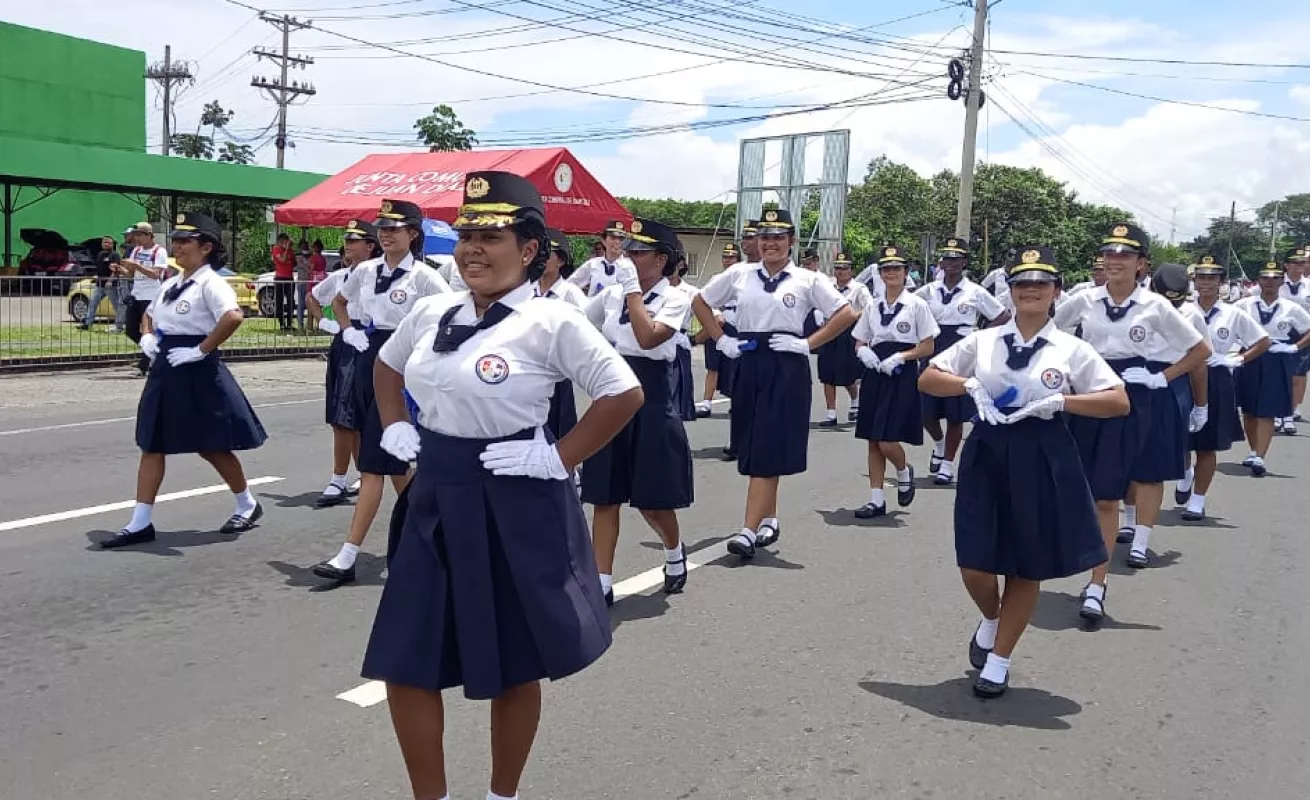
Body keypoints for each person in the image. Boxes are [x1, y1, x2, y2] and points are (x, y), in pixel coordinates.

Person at [360, 170, 643, 800]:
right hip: (435, 496)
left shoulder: (552, 322)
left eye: (492, 236)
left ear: (531, 248)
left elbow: (623, 392)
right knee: (404, 660)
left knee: (516, 664)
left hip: (515, 497)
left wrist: (560, 458)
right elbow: (385, 366)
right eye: (466, 235)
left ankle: (501, 795)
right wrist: (395, 424)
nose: (473, 249)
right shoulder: (433, 311)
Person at [919, 244, 1129, 698]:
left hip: (1042, 451)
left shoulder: (1072, 349)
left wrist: (1063, 401)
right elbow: (929, 377)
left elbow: (1118, 400)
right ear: (1010, 291)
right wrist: (968, 384)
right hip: (989, 450)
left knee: (1024, 562)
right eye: (1021, 284)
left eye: (1041, 284)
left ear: (1056, 292)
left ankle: (999, 660)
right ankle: (992, 619)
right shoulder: (985, 340)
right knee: (974, 560)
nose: (1030, 291)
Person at [1053, 223, 1209, 620]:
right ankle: (1080, 560)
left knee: (1117, 490)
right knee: (1085, 490)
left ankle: (1097, 583)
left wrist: (1161, 377)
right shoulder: (1084, 299)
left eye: (1124, 255)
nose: (1114, 261)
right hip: (1091, 394)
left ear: (1141, 264)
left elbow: (1200, 349)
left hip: (1135, 398)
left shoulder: (1155, 306)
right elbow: (1051, 334)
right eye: (1109, 254)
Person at [693, 209, 859, 558]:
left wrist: (808, 343)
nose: (770, 244)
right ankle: (770, 518)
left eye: (778, 237)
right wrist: (721, 340)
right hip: (750, 360)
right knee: (754, 443)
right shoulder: (740, 273)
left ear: (792, 242)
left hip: (787, 363)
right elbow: (701, 302)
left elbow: (845, 313)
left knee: (770, 442)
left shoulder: (807, 279)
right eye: (764, 237)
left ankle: (748, 529)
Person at [98, 212, 267, 548]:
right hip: (166, 367)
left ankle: (247, 503)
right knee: (152, 442)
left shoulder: (211, 283)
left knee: (213, 445)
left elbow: (233, 316)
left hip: (197, 367)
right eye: (175, 239)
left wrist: (202, 349)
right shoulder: (173, 282)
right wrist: (147, 336)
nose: (177, 245)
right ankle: (140, 520)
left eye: (185, 240)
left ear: (206, 247)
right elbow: (149, 314)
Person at [312, 199, 452, 584]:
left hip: (403, 364)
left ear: (413, 234)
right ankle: (424, 538)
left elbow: (448, 317)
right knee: (397, 467)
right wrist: (347, 329)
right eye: (383, 228)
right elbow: (340, 301)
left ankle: (348, 553)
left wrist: (422, 359)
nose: (387, 234)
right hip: (368, 356)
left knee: (374, 461)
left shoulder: (425, 277)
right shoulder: (366, 270)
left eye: (396, 228)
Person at [581, 217, 695, 603]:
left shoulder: (676, 297)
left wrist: (630, 292)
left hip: (651, 398)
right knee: (605, 494)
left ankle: (674, 549)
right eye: (627, 250)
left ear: (662, 259)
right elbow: (577, 324)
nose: (629, 257)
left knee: (652, 500)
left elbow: (648, 338)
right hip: (611, 395)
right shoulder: (613, 294)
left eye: (639, 252)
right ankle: (601, 580)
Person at [850, 246, 939, 518]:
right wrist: (862, 351)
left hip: (900, 373)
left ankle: (903, 471)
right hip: (875, 370)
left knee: (887, 439)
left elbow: (928, 346)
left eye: (896, 269)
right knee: (872, 438)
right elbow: (860, 338)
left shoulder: (916, 305)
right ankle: (876, 498)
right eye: (886, 269)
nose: (891, 273)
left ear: (905, 273)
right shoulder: (873, 305)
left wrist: (902, 356)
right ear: (880, 273)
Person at [1178, 255, 1268, 520]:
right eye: (1201, 277)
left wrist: (1237, 358)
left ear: (1222, 282)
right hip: (1183, 375)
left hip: (1216, 377)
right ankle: (1185, 474)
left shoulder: (1233, 313)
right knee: (1179, 438)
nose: (1206, 283)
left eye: (1212, 278)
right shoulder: (1180, 309)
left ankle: (1197, 500)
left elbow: (1262, 341)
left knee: (1207, 444)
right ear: (1193, 281)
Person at [915, 237, 1009, 485]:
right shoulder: (928, 290)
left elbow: (1002, 315)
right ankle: (938, 443)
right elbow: (911, 306)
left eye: (956, 259)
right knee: (926, 412)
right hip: (934, 346)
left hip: (961, 350)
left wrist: (980, 333)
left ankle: (947, 464)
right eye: (947, 258)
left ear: (964, 262)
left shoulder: (975, 292)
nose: (951, 263)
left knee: (955, 415)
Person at [307, 220, 381, 507]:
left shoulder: (378, 275)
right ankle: (339, 478)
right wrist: (325, 321)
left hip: (371, 338)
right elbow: (313, 296)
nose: (347, 245)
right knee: (341, 413)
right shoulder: (340, 277)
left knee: (360, 415)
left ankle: (365, 472)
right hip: (346, 341)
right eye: (347, 240)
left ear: (369, 246)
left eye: (354, 241)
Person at [1234, 262, 1310, 476]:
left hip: (1275, 357)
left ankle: (1260, 456)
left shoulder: (1290, 308)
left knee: (1267, 408)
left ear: (1281, 281)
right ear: (1259, 280)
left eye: (1275, 278)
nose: (1270, 282)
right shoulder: (1244, 304)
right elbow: (1231, 325)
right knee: (1248, 408)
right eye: (1265, 278)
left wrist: (1294, 346)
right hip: (1249, 355)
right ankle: (1252, 449)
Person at [534, 227, 588, 442]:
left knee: (559, 422)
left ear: (561, 261)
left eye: (549, 254)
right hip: (530, 365)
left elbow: (586, 326)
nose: (543, 258)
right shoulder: (527, 288)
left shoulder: (570, 293)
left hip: (557, 368)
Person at [816, 254, 873, 426]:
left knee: (848, 374)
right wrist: (821, 321)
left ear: (851, 270)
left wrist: (854, 316)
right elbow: (818, 304)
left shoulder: (858, 288)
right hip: (829, 329)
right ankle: (831, 414)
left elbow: (870, 306)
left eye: (845, 268)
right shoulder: (828, 286)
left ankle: (855, 402)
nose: (841, 272)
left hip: (849, 331)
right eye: (838, 268)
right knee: (827, 374)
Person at [694, 241, 743, 419]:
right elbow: (704, 300)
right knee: (713, 366)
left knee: (736, 366)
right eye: (725, 257)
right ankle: (706, 404)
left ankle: (736, 401)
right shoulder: (716, 278)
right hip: (717, 322)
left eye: (732, 257)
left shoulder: (745, 279)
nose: (728, 260)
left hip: (736, 324)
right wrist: (715, 314)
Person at [122, 222, 170, 376]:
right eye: (135, 235)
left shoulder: (159, 251)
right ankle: (153, 352)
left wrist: (136, 265)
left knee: (148, 329)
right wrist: (120, 270)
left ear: (149, 235)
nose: (137, 238)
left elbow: (156, 274)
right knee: (130, 329)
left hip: (151, 295)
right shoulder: (136, 250)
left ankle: (144, 364)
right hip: (137, 293)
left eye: (140, 235)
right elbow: (131, 274)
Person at [1277, 245, 1310, 433]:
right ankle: (1277, 412)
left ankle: (1290, 411)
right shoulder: (1276, 282)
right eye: (1296, 263)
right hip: (1280, 332)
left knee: (1298, 374)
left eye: (1303, 263)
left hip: (1304, 333)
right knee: (1279, 373)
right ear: (1286, 266)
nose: (1300, 267)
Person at [666, 247, 700, 423]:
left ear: (680, 264)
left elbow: (716, 320)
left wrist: (695, 339)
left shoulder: (691, 292)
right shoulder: (654, 288)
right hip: (655, 345)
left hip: (679, 343)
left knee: (676, 405)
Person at [568, 220, 632, 296]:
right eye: (613, 238)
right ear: (603, 240)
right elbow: (570, 286)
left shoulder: (630, 267)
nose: (617, 242)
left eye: (621, 239)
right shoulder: (593, 264)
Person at [80, 236, 123, 331]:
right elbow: (99, 268)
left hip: (111, 286)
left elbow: (116, 270)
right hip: (99, 285)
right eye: (104, 242)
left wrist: (110, 281)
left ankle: (121, 325)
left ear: (112, 244)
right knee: (92, 303)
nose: (106, 244)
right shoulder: (100, 254)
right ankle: (87, 323)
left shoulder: (115, 255)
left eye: (108, 242)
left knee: (117, 305)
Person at [271, 233, 296, 331]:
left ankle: (289, 323)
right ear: (281, 241)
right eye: (285, 241)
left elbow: (294, 262)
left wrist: (290, 249)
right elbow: (282, 259)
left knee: (290, 302)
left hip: (289, 278)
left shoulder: (290, 251)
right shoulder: (276, 249)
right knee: (279, 302)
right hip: (280, 278)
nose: (287, 243)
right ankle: (282, 324)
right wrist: (286, 250)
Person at [307, 240, 329, 330]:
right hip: (322, 280)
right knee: (320, 304)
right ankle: (320, 324)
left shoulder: (313, 258)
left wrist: (307, 269)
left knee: (310, 302)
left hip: (313, 281)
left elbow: (311, 269)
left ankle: (310, 325)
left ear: (315, 248)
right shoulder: (323, 258)